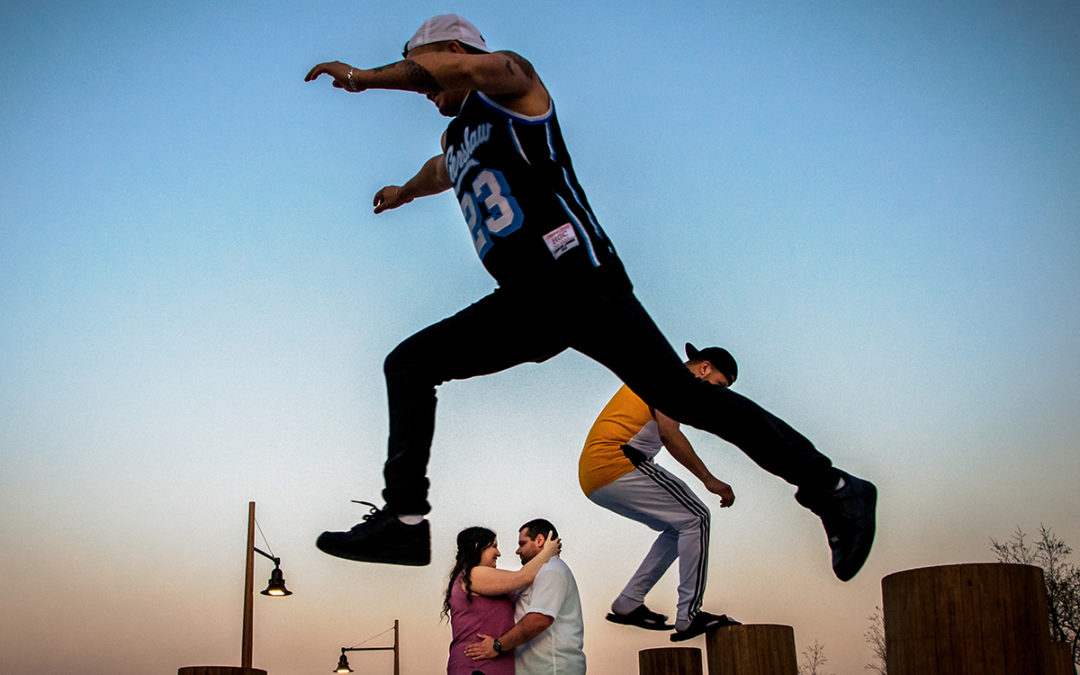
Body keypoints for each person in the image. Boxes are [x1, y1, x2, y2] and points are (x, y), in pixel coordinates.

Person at [305, 14, 876, 582]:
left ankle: (835, 488)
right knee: (408, 364)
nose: (424, 93)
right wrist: (404, 191)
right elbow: (442, 169)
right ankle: (404, 522)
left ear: (453, 51)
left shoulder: (514, 84)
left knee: (685, 398)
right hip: (525, 300)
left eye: (426, 79)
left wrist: (361, 77)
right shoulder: (456, 137)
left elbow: (460, 68)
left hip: (579, 279)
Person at [581, 343, 744, 642]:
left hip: (595, 476)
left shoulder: (659, 379)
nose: (718, 393)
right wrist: (709, 479)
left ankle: (629, 602)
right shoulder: (669, 381)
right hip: (615, 461)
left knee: (678, 526)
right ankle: (689, 616)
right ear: (704, 367)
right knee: (697, 517)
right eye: (719, 385)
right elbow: (670, 434)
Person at [464, 519, 585, 675]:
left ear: (540, 541)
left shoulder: (552, 571)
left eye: (522, 544)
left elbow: (538, 620)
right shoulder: (535, 575)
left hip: (553, 669)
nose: (517, 551)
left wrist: (497, 645)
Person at [444, 526, 561, 675]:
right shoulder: (473, 574)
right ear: (477, 546)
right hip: (477, 666)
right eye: (493, 547)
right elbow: (524, 577)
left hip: (493, 666)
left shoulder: (485, 581)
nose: (498, 553)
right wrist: (547, 552)